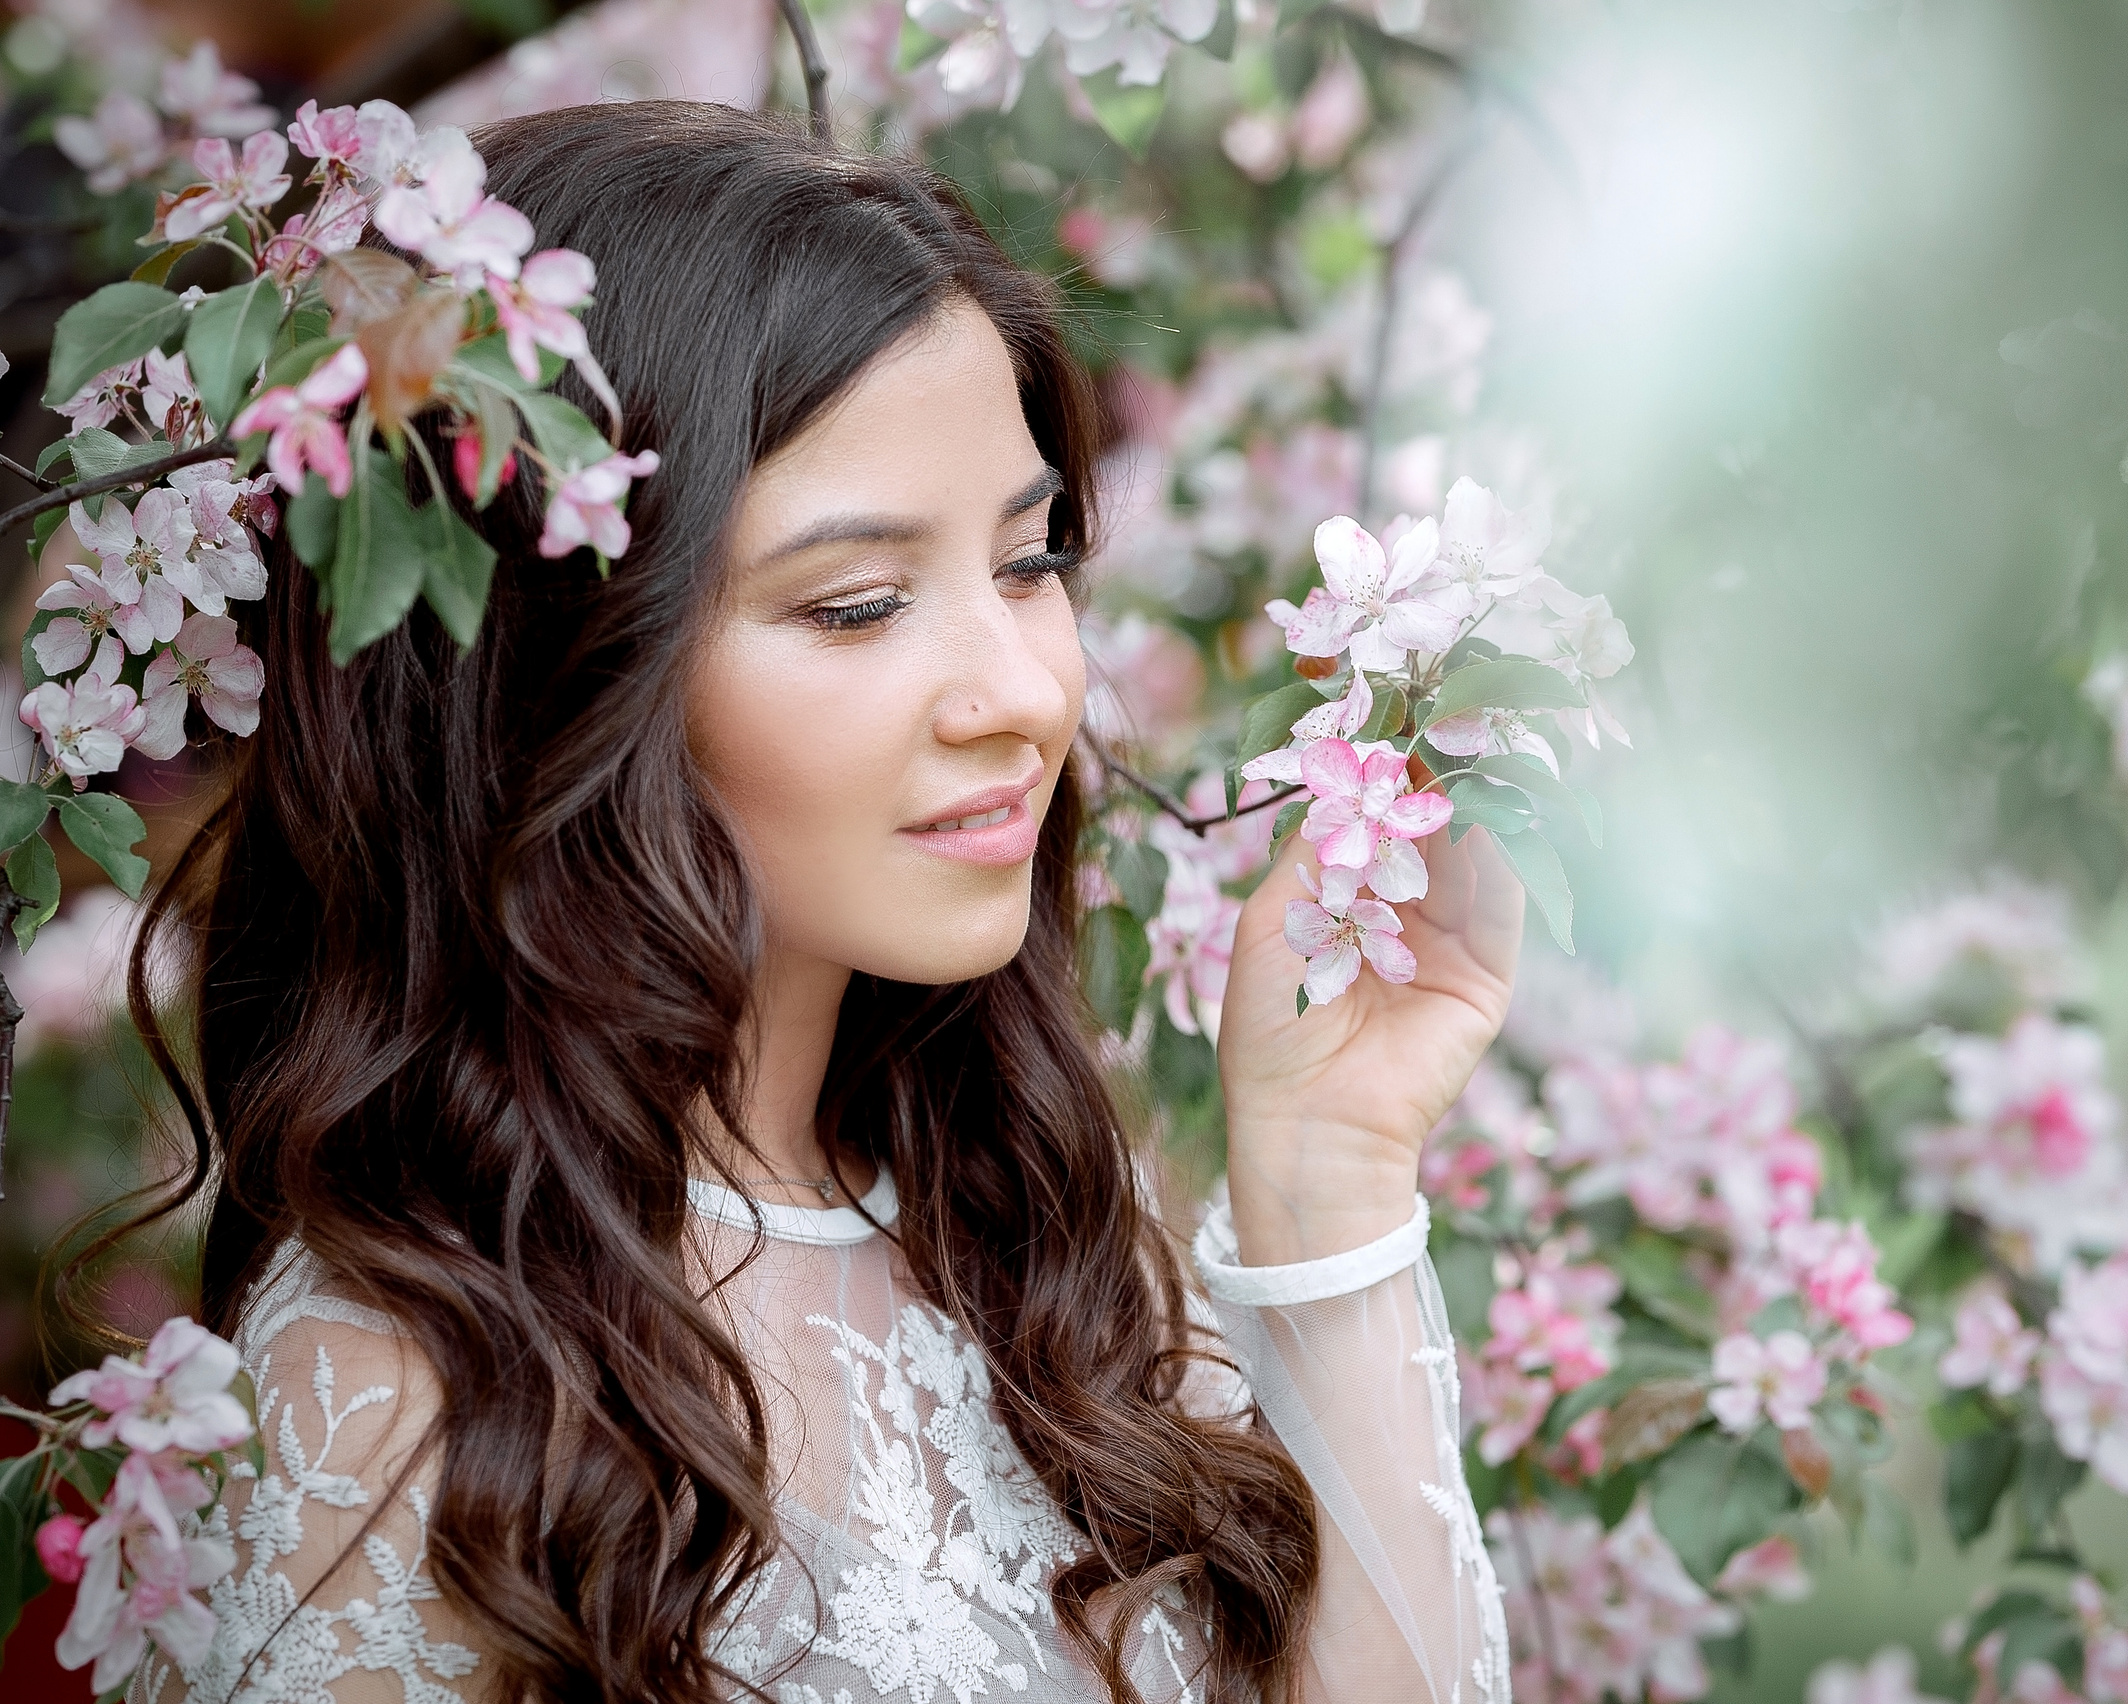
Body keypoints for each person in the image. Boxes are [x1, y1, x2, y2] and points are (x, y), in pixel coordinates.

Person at [122, 102, 1521, 1704]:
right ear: (553, 673)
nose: (1019, 693)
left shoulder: (1043, 1243)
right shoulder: (405, 1403)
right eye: (857, 605)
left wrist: (1330, 1177)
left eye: (1029, 559)